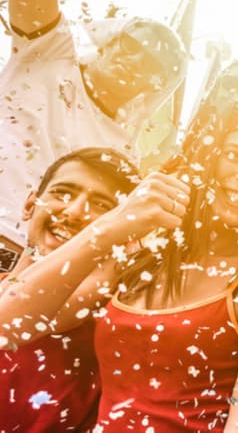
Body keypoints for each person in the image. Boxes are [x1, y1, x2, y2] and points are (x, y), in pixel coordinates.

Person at [0, 101, 238, 432]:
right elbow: (9, 324)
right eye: (233, 155)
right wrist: (116, 223)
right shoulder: (145, 251)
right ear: (207, 160)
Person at [0, 0, 189, 268]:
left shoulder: (124, 154)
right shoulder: (49, 52)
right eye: (132, 46)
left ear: (155, 86)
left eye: (152, 65)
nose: (135, 61)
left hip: (26, 271)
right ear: (110, 41)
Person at [0, 148, 139, 433]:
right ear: (29, 205)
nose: (74, 212)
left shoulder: (111, 337)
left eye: (101, 206)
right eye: (63, 193)